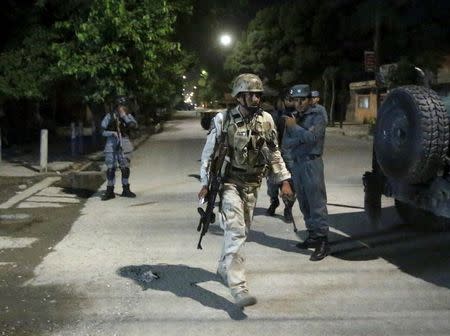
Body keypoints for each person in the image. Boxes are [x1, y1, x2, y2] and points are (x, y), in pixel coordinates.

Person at [198, 73, 293, 307]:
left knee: (240, 232)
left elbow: (273, 152)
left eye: (258, 94)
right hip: (229, 182)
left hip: (252, 185)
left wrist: (284, 180)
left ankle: (223, 267)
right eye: (251, 94)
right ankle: (239, 287)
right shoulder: (224, 119)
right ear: (240, 96)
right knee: (237, 230)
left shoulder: (267, 120)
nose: (256, 98)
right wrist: (204, 183)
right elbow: (209, 153)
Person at [283, 84, 330, 261]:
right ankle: (312, 235)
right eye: (295, 100)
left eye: (302, 99)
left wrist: (295, 129)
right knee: (304, 202)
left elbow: (312, 139)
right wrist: (288, 165)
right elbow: (287, 143)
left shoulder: (318, 115)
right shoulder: (294, 117)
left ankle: (323, 241)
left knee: (316, 202)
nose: (299, 103)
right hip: (297, 164)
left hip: (312, 163)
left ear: (310, 99)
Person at [266, 91, 296, 223]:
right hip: (276, 153)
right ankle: (274, 201)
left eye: (292, 99)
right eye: (288, 99)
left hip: (292, 156)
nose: (291, 102)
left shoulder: (299, 116)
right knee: (272, 182)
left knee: (291, 184)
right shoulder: (274, 116)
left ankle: (288, 209)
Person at [101, 97, 138, 201]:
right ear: (116, 107)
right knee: (110, 168)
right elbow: (102, 130)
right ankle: (110, 190)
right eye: (119, 106)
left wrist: (124, 116)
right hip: (111, 142)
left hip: (124, 141)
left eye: (123, 106)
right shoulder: (109, 116)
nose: (122, 108)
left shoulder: (128, 116)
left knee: (125, 167)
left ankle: (126, 189)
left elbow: (133, 126)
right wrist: (112, 133)